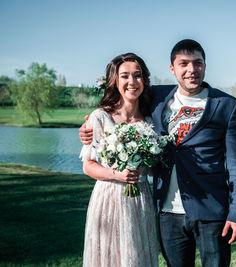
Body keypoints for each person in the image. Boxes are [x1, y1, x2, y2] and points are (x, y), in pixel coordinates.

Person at [80, 39, 236, 267]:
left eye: (197, 63)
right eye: (184, 64)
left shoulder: (225, 105)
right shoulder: (158, 99)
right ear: (173, 69)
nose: (191, 70)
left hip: (211, 211)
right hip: (167, 212)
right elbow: (122, 100)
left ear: (205, 66)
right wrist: (88, 127)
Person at [79, 53, 158, 267]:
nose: (132, 82)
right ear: (115, 81)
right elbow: (88, 166)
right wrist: (117, 174)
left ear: (144, 80)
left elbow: (152, 171)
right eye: (124, 76)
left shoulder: (150, 121)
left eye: (137, 76)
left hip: (140, 199)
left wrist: (151, 156)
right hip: (108, 198)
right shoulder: (100, 117)